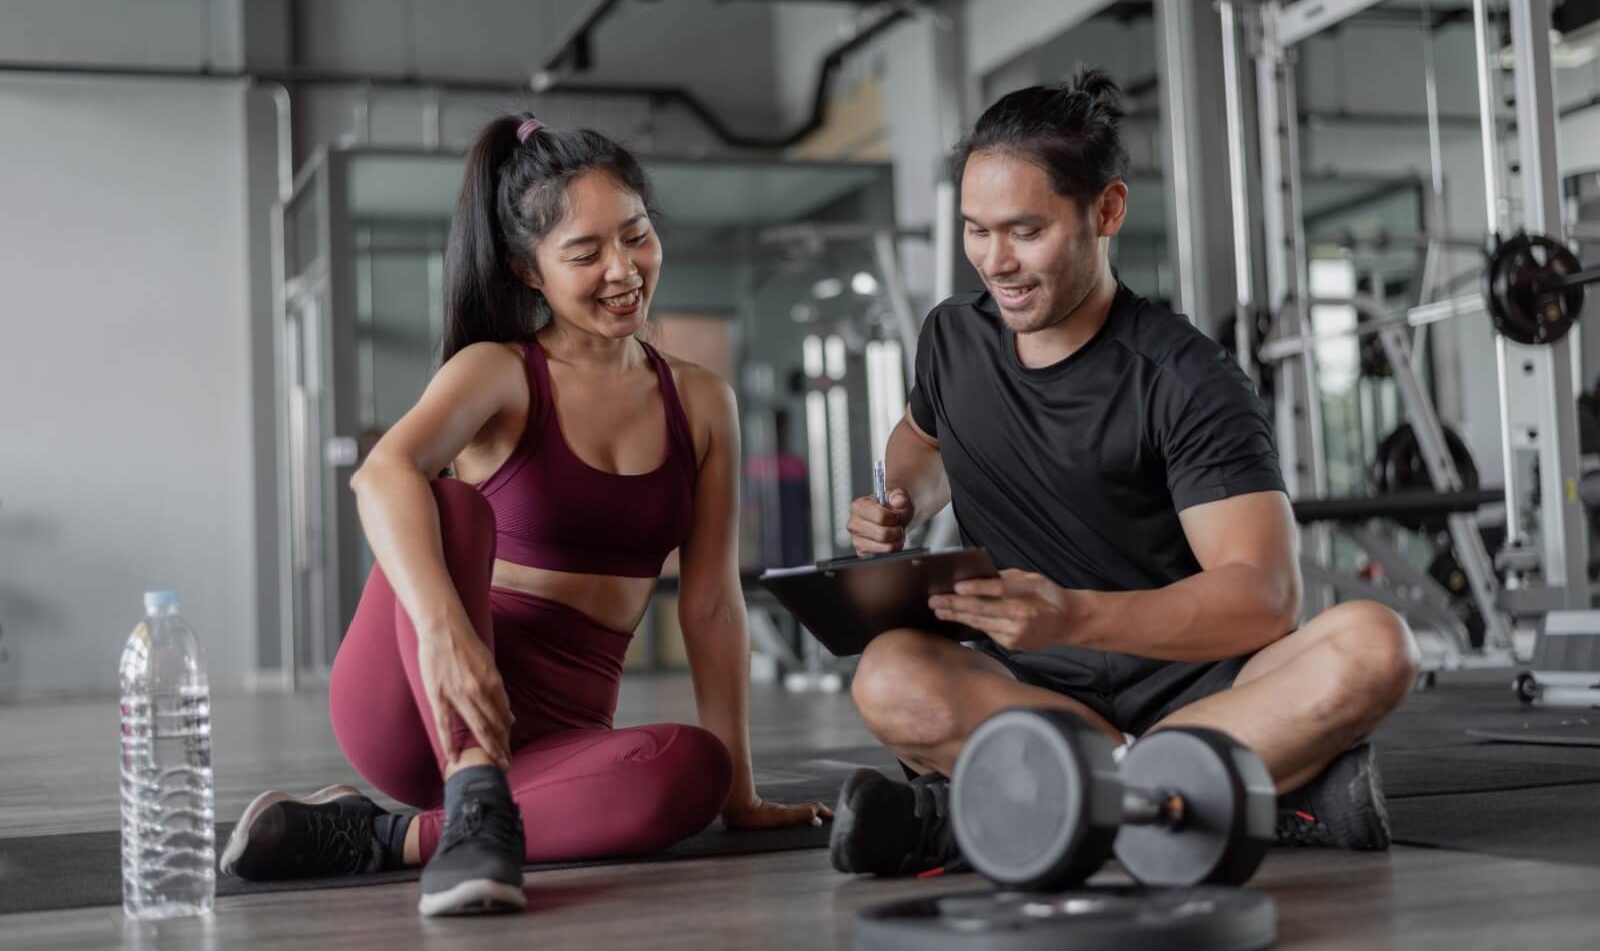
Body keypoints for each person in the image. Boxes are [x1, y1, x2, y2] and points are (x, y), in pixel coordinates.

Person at [221, 116, 828, 916]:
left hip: (557, 739)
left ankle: (376, 836)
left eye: (636, 237)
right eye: (585, 254)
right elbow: (380, 474)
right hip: (424, 698)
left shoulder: (701, 400)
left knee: (693, 769)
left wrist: (741, 794)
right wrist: (445, 636)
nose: (623, 270)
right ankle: (468, 795)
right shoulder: (499, 373)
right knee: (445, 501)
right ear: (528, 270)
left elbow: (712, 602)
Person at [827, 68, 1421, 879]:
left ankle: (1010, 814)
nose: (994, 262)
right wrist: (898, 506)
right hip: (1026, 688)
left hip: (1201, 693)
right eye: (975, 230)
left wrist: (1073, 617)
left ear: (1105, 211)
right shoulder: (951, 340)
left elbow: (1263, 596)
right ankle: (1214, 799)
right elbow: (924, 442)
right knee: (890, 674)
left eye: (1024, 232)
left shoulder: (1184, 378)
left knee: (1375, 645)